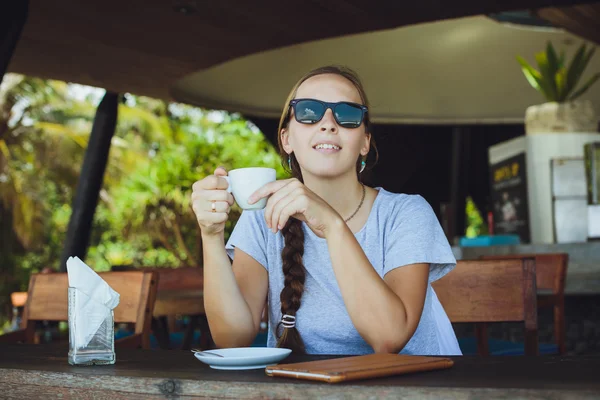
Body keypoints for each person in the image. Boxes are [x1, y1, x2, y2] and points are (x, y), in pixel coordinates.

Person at [191, 65, 461, 355]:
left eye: (347, 114)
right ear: (286, 139)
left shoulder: (407, 213)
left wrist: (331, 225)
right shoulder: (261, 217)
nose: (329, 123)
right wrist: (211, 235)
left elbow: (389, 337)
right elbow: (232, 338)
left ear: (365, 143)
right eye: (308, 111)